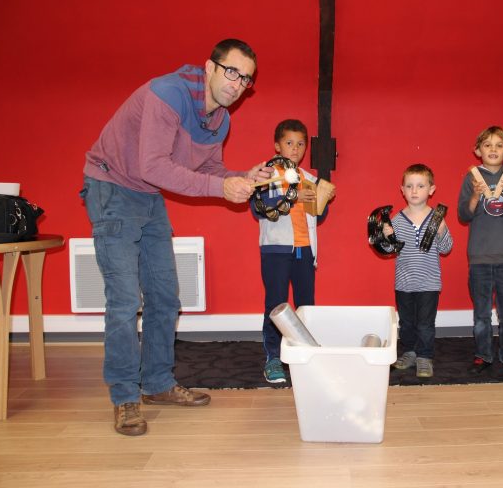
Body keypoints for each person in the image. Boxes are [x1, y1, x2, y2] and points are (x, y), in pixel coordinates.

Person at [81, 39, 273, 436]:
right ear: (210, 67)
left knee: (165, 296)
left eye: (246, 79)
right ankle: (125, 396)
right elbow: (153, 166)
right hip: (111, 187)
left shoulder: (220, 120)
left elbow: (211, 170)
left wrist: (241, 178)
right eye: (232, 72)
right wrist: (221, 189)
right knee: (124, 300)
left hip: (147, 195)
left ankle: (157, 383)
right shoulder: (167, 93)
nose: (237, 84)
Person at [251, 119, 334, 383]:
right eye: (289, 143)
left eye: (300, 144)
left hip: (305, 250)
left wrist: (322, 199)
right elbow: (258, 209)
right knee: (276, 304)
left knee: (306, 304)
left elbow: (317, 217)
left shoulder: (308, 178)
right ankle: (273, 357)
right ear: (277, 146)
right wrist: (293, 197)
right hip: (276, 250)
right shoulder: (267, 175)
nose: (295, 149)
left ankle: (305, 353)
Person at [457, 126, 503, 378]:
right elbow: (463, 215)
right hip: (480, 256)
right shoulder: (472, 177)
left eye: (499, 145)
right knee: (481, 314)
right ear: (478, 150)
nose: (493, 149)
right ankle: (483, 355)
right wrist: (475, 197)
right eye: (487, 145)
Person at [386, 164, 453, 378]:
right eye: (409, 186)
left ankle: (424, 356)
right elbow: (389, 250)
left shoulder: (436, 218)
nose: (414, 191)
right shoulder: (396, 221)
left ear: (431, 190)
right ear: (402, 190)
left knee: (425, 324)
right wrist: (386, 236)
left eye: (420, 186)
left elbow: (446, 248)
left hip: (429, 283)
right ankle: (409, 352)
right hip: (404, 282)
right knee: (407, 323)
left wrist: (442, 231)